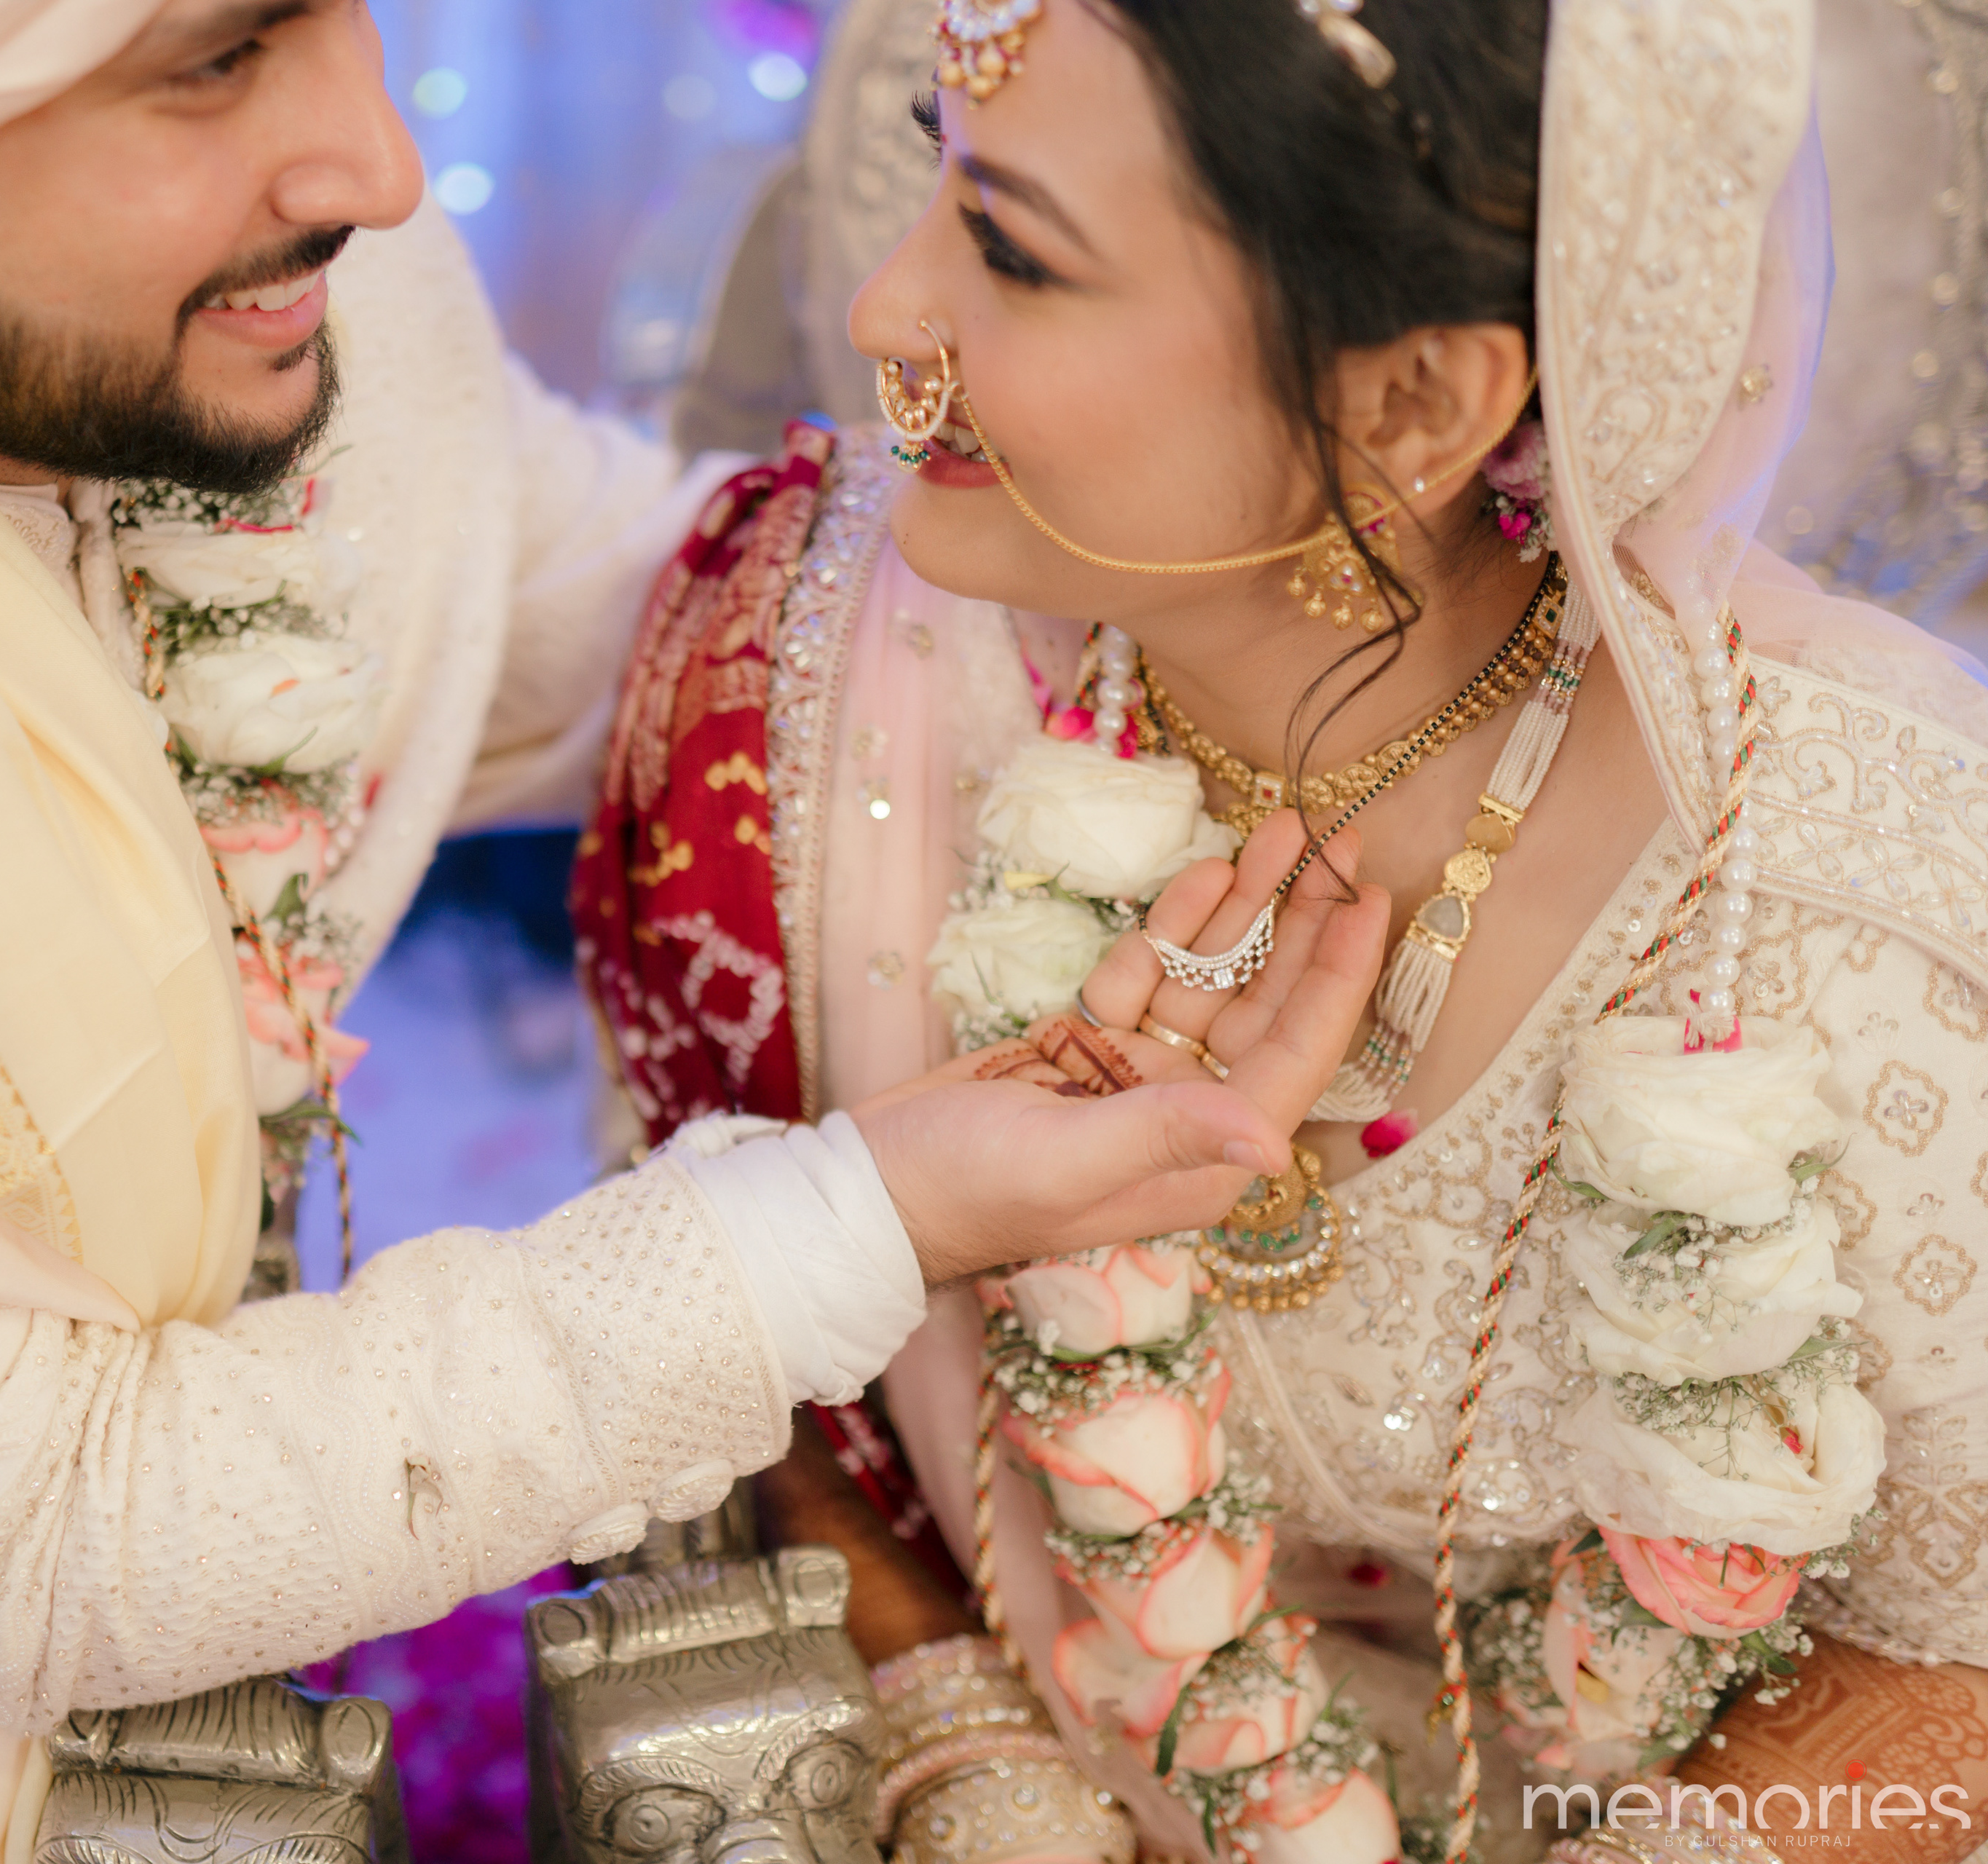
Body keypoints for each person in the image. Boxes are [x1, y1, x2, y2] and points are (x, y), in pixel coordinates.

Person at [0, 4, 1403, 1862]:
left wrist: (1340, 637)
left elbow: (666, 638)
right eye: (215, 59)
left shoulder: (281, 300)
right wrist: (869, 1215)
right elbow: (31, 1541)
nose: (379, 165)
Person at [577, 0, 1988, 1860]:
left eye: (1012, 250)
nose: (886, 310)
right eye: (936, 171)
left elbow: (1957, 1661)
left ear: (1417, 403)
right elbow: (760, 1374)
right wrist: (966, 1760)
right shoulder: (803, 673)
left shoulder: (1845, 883)